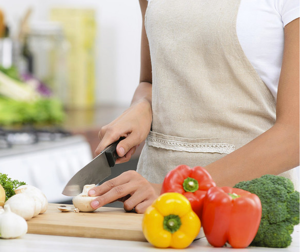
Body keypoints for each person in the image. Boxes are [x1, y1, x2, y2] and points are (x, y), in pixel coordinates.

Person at [88, 0, 299, 213]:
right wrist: (142, 106)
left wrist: (175, 192)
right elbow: (151, 82)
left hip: (243, 210)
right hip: (153, 205)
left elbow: (294, 136)